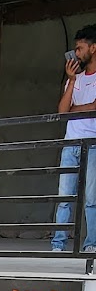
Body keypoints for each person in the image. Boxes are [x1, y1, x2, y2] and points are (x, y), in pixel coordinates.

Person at [52, 25, 96, 254]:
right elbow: (62, 112)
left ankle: (91, 244)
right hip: (70, 144)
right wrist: (70, 80)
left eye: (80, 48)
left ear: (93, 48)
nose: (76, 53)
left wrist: (74, 110)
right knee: (64, 197)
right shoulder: (75, 78)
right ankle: (58, 245)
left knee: (91, 199)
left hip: (92, 144)